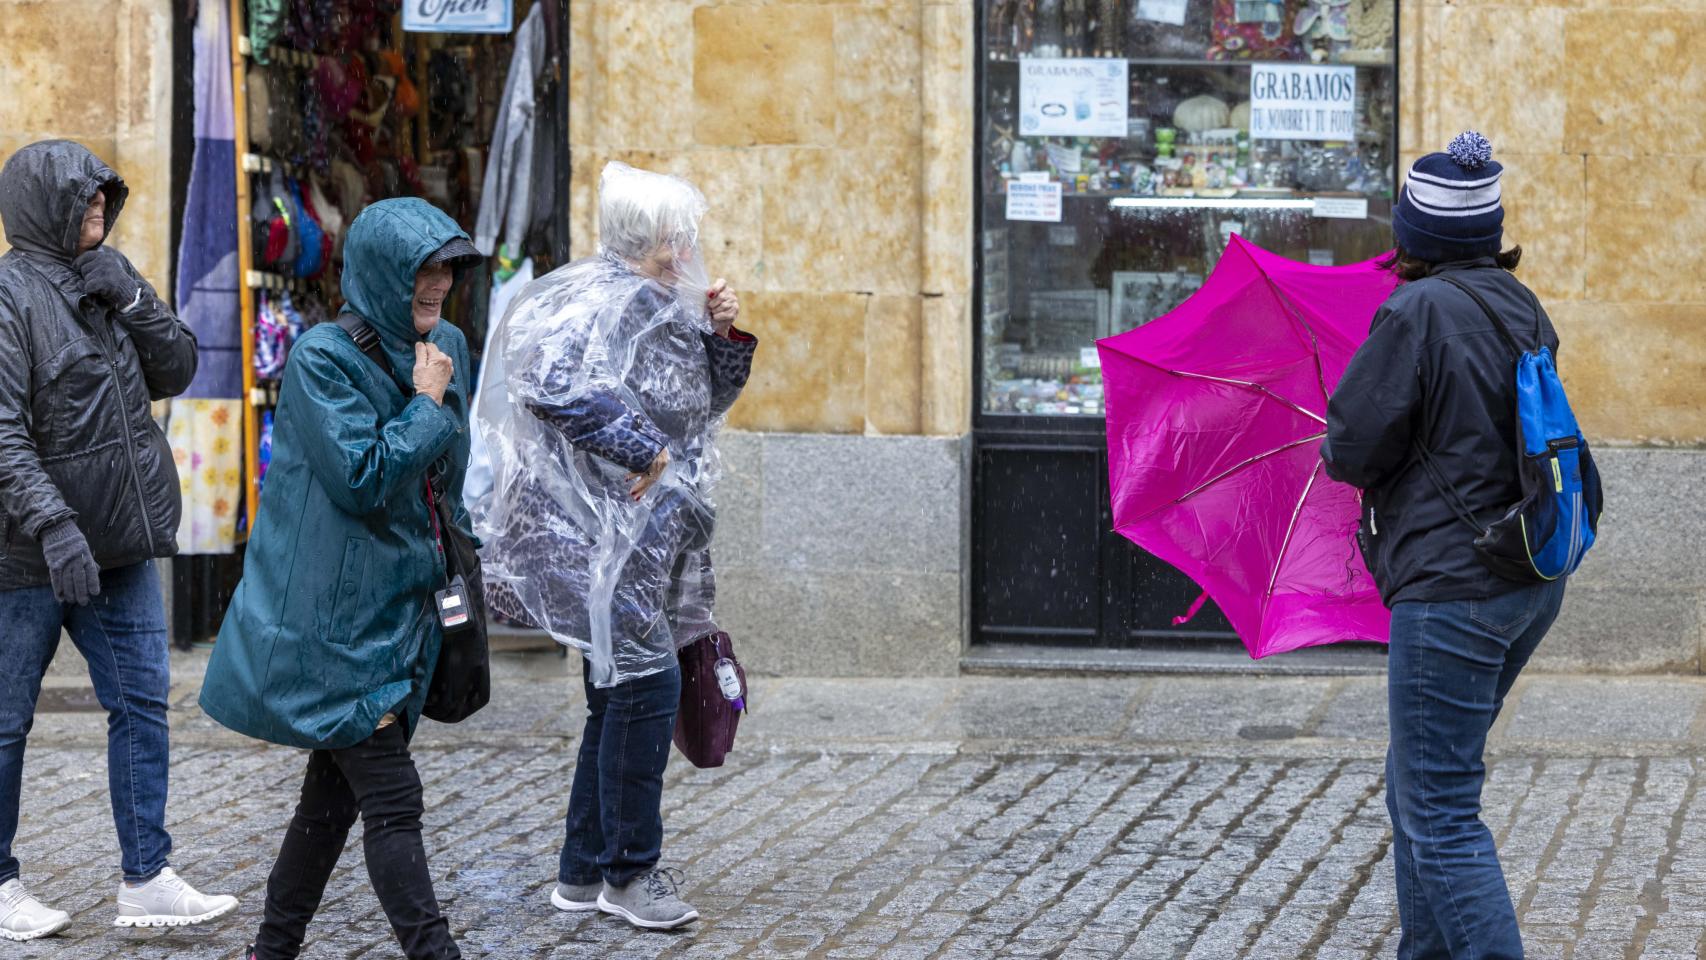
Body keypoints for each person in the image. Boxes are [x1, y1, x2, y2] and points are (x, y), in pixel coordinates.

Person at [473, 162, 757, 931]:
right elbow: (545, 379)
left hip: (647, 538)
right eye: (678, 235)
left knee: (616, 696)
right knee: (648, 688)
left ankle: (582, 872)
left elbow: (701, 403)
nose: (689, 246)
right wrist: (640, 445)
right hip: (602, 538)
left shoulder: (666, 302)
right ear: (649, 237)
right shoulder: (600, 300)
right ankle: (630, 875)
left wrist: (722, 333)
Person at [199, 198, 481, 960]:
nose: (438, 284)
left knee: (328, 802)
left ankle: (271, 949)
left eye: (447, 268)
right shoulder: (323, 358)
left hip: (400, 608)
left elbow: (445, 481)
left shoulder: (445, 344)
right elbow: (360, 477)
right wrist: (425, 404)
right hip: (333, 621)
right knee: (393, 798)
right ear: (384, 273)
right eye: (424, 269)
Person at [1324, 132, 1566, 960]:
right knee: (1417, 787)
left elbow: (1352, 450)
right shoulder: (1519, 302)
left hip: (1453, 587)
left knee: (1439, 811)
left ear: (1413, 236)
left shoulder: (1415, 312)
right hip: (1524, 574)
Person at [0, 140, 237, 940]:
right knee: (5, 721)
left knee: (141, 704)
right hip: (28, 553)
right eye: (85, 195)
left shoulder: (110, 278)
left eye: (106, 193)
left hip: (120, 547)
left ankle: (147, 879)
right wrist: (53, 523)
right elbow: (1, 434)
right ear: (45, 206)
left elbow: (176, 370)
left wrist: (134, 298)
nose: (100, 204)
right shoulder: (8, 295)